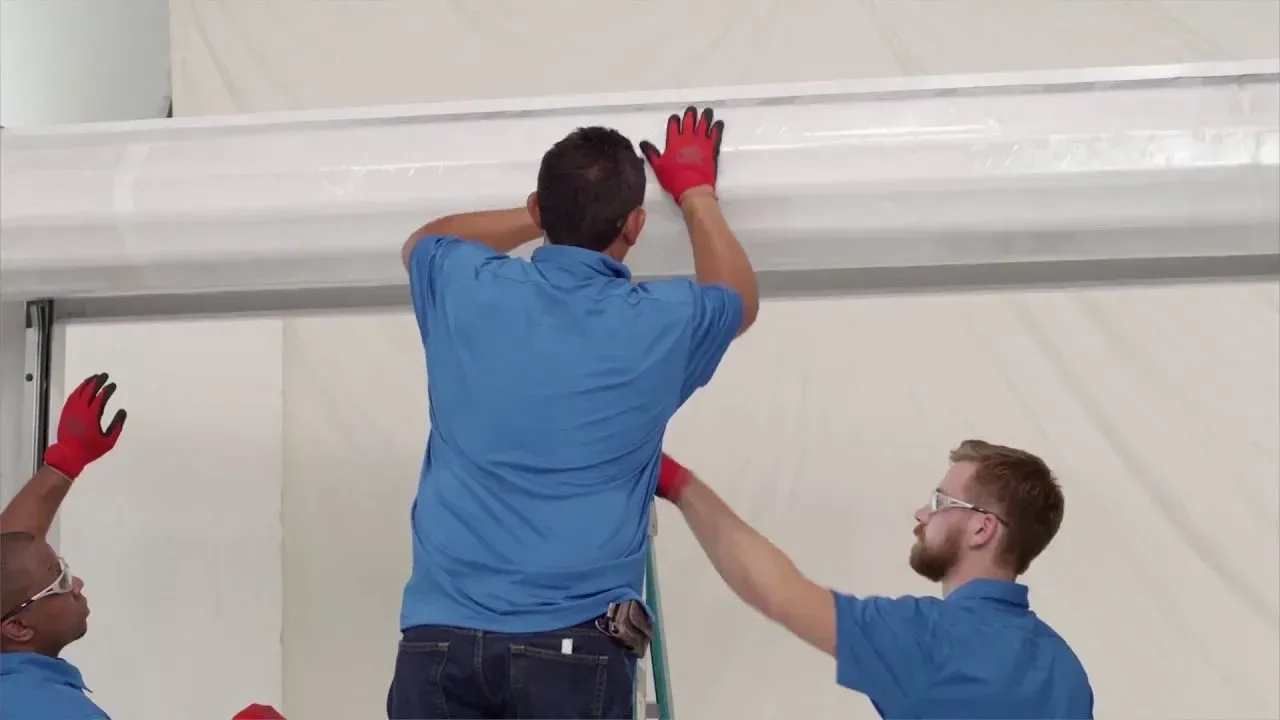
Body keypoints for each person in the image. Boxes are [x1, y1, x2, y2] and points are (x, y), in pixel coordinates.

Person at [388, 106, 759, 719]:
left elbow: (423, 241)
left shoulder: (468, 286)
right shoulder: (658, 324)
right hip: (572, 649)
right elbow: (737, 299)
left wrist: (545, 215)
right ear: (636, 225)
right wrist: (695, 194)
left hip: (440, 643)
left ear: (538, 209)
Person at [654, 441, 1094, 719]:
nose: (922, 514)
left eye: (940, 501)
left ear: (983, 529)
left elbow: (777, 591)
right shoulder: (1066, 669)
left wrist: (677, 482)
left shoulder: (928, 636)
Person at [0, 373, 283, 720]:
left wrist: (65, 461)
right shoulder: (55, 711)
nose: (77, 584)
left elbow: (13, 563)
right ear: (17, 628)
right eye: (60, 580)